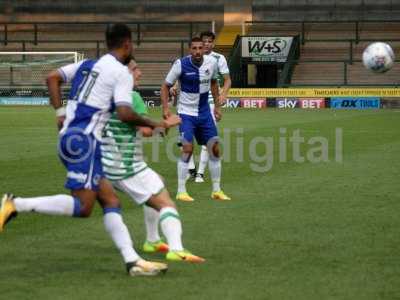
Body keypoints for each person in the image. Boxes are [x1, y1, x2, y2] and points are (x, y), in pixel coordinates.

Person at [0, 23, 180, 276]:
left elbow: (52, 77)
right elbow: (126, 113)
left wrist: (60, 112)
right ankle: (15, 204)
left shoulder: (87, 64)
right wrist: (157, 123)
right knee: (83, 207)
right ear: (127, 44)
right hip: (85, 142)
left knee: (110, 200)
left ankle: (133, 261)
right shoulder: (120, 73)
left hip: (71, 138)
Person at [102, 59, 204, 262]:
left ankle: (153, 240)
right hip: (127, 166)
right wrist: (167, 124)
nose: (139, 73)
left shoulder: (105, 96)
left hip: (103, 164)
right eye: (135, 69)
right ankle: (176, 248)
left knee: (158, 181)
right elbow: (147, 131)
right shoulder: (132, 97)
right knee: (166, 203)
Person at [160, 36, 231, 202]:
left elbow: (214, 83)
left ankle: (216, 190)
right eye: (195, 48)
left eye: (200, 48)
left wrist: (218, 108)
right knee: (187, 149)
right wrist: (165, 108)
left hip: (205, 112)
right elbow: (165, 86)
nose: (198, 51)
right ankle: (181, 191)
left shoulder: (211, 62)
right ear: (189, 49)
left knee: (214, 149)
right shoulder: (180, 64)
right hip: (186, 113)